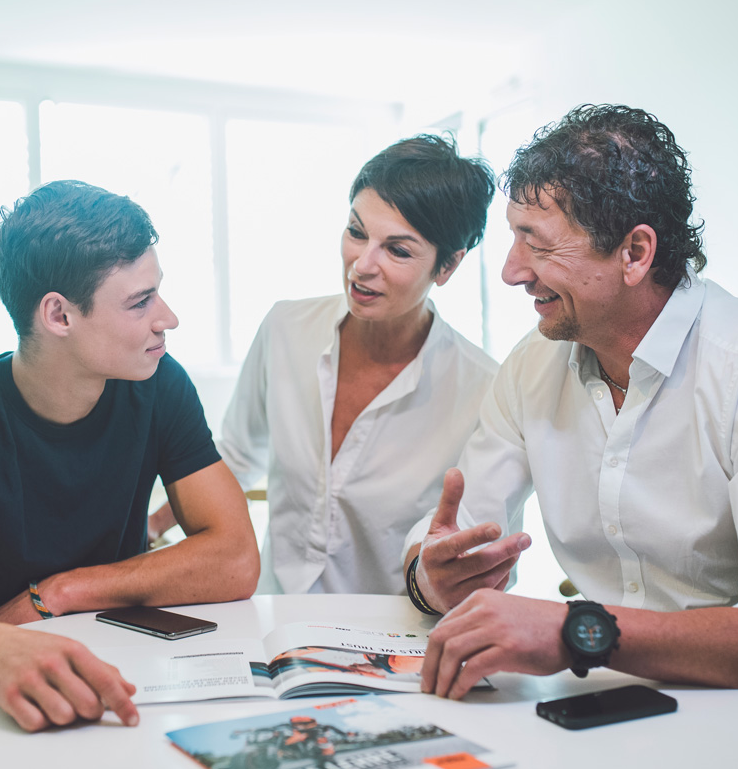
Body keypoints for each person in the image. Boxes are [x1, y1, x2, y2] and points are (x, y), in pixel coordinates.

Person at [406, 105, 738, 769]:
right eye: (511, 238)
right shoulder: (533, 366)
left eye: (535, 242)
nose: (510, 270)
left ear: (634, 252)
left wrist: (575, 631)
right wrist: (433, 573)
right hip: (605, 709)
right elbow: (453, 533)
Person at [0, 180, 259, 732]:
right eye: (140, 302)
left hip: (122, 682)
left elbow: (237, 559)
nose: (167, 318)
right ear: (59, 315)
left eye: (157, 293)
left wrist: (59, 593)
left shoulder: (159, 384)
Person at [149, 135, 499, 594]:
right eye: (357, 232)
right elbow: (235, 456)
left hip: (393, 641)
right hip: (275, 621)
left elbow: (471, 547)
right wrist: (150, 528)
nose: (362, 266)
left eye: (397, 250)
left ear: (448, 266)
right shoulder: (285, 329)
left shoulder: (483, 389)